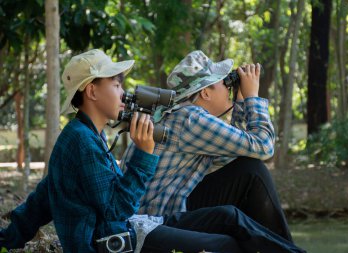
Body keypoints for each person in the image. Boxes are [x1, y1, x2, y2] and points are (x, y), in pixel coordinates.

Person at [0, 49, 307, 253]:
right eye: (116, 84)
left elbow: (45, 195)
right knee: (228, 244)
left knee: (230, 216)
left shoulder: (84, 136)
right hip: (119, 241)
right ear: (91, 91)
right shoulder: (80, 141)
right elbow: (115, 214)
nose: (124, 91)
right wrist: (145, 156)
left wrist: (8, 238)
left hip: (137, 226)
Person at [122, 50, 293, 241]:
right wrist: (253, 96)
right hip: (157, 218)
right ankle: (285, 247)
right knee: (253, 171)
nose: (228, 87)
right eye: (223, 82)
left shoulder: (177, 113)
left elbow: (239, 153)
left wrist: (241, 100)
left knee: (248, 168)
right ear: (205, 92)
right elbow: (264, 147)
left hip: (164, 207)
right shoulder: (191, 118)